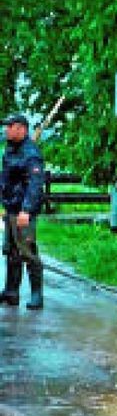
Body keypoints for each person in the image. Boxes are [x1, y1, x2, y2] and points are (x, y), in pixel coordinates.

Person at [0, 113, 45, 310]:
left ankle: (37, 295)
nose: (5, 129)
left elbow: (35, 184)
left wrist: (26, 210)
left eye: (10, 126)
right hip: (10, 208)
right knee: (11, 251)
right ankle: (11, 292)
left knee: (27, 251)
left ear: (21, 129)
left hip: (23, 211)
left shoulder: (31, 153)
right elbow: (6, 179)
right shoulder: (10, 150)